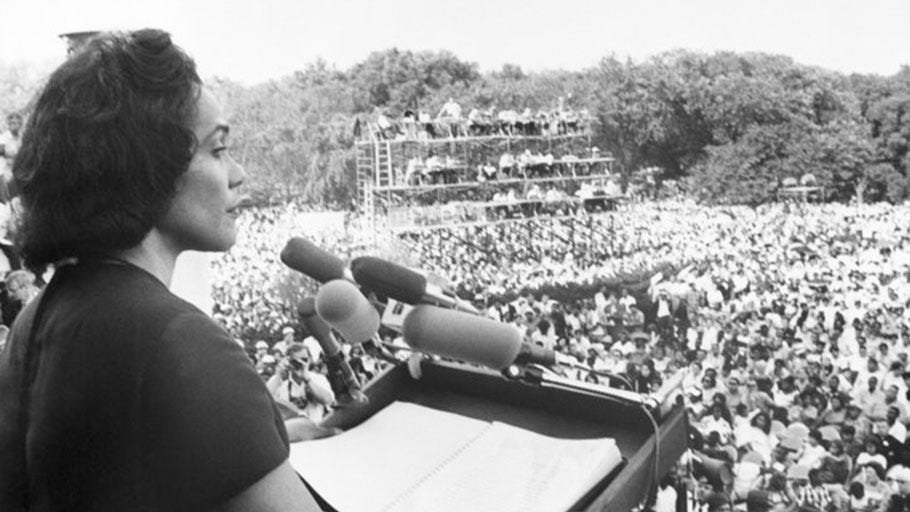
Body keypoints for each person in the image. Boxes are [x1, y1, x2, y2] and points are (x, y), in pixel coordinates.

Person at [0, 30, 324, 511]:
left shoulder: (36, 322)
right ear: (147, 168)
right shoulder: (176, 342)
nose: (238, 174)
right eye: (218, 150)